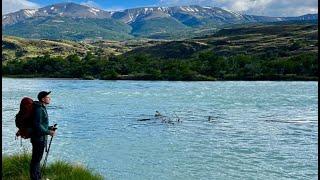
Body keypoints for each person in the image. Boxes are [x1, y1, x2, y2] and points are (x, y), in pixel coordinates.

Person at [30, 91, 56, 180]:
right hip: (38, 138)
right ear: (43, 99)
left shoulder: (42, 108)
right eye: (48, 97)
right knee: (36, 160)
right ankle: (35, 178)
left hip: (40, 137)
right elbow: (36, 125)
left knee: (37, 159)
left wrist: (49, 128)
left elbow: (41, 124)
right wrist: (49, 132)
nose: (50, 98)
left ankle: (38, 177)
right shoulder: (39, 109)